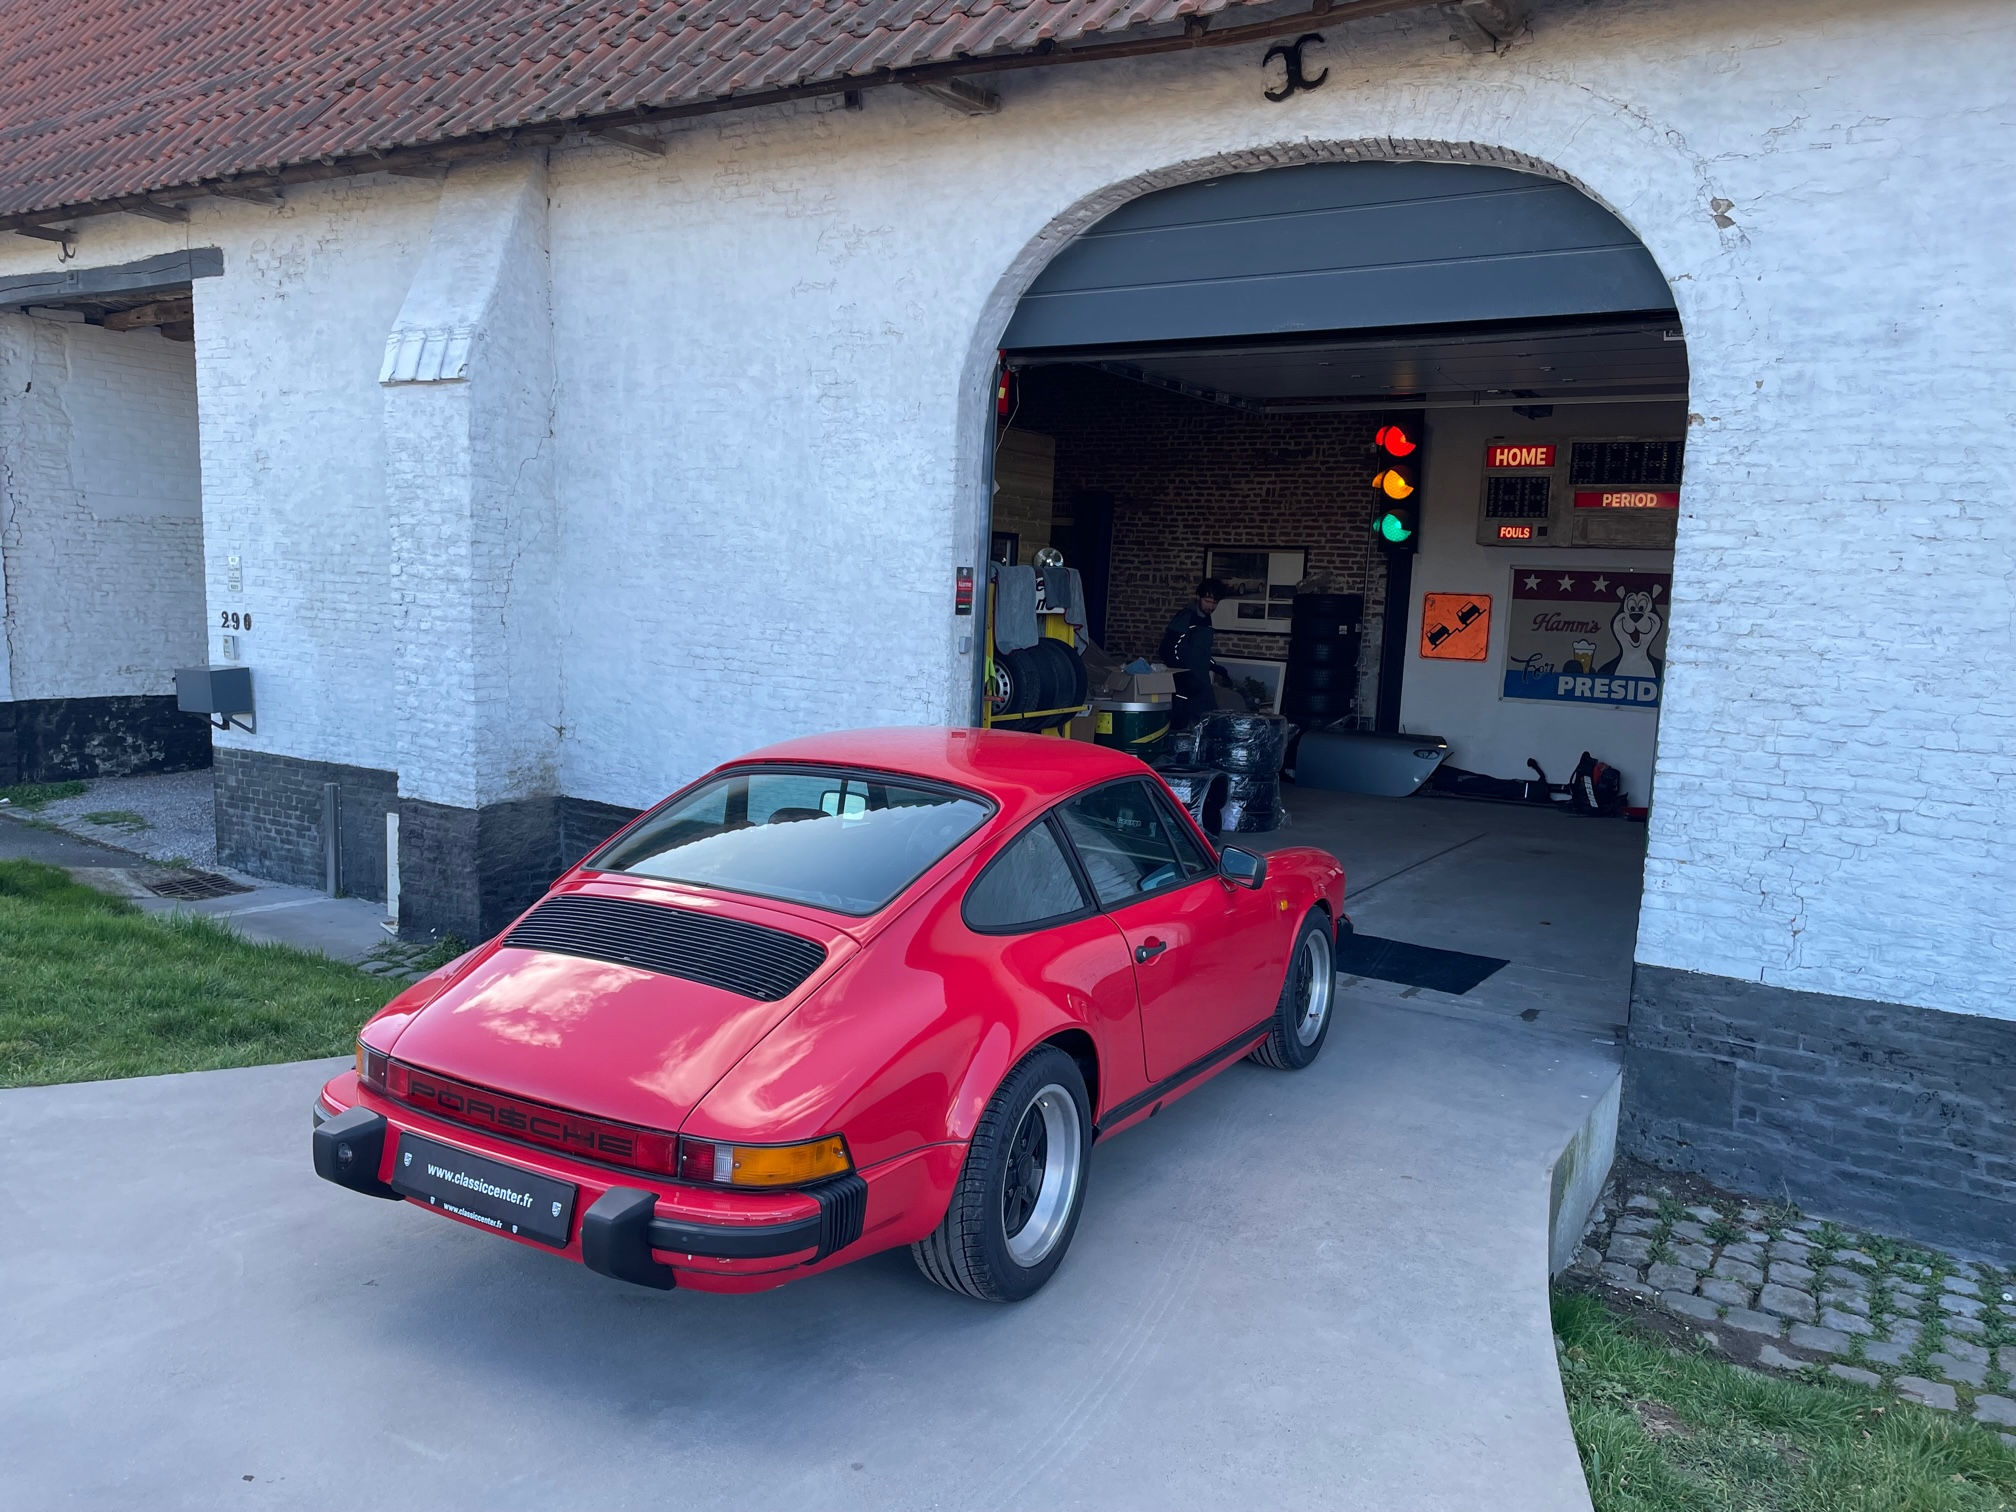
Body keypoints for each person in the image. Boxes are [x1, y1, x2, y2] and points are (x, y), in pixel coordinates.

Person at [1159, 578, 1226, 729]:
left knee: (1207, 724)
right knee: (1181, 727)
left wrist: (1216, 667)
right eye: (1208, 601)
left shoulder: (1206, 620)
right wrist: (1183, 674)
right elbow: (1166, 650)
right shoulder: (1186, 617)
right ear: (1199, 597)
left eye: (1215, 603)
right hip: (1184, 686)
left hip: (1201, 683)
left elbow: (1201, 652)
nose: (1211, 606)